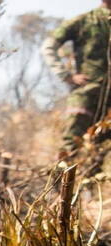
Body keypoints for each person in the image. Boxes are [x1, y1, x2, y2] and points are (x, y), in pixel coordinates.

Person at [42, 1, 111, 157]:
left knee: (103, 155)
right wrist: (66, 75)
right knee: (71, 146)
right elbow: (48, 46)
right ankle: (61, 181)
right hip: (87, 93)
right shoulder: (84, 20)